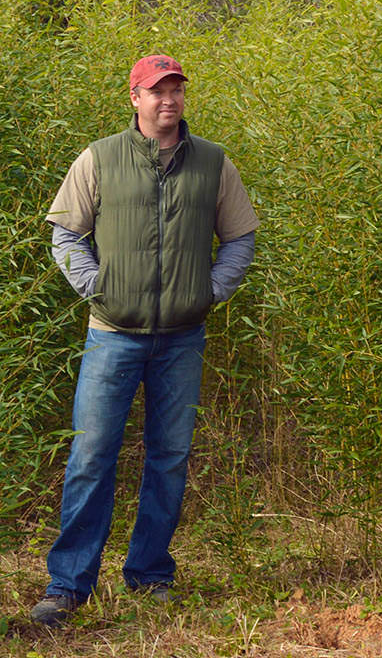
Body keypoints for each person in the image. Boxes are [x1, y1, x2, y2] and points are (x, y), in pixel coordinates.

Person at [30, 54, 260, 627]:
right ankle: (69, 585)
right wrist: (96, 288)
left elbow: (240, 236)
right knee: (90, 456)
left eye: (177, 90)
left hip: (183, 338)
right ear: (134, 98)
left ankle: (150, 574)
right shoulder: (101, 158)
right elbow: (66, 233)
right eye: (157, 91)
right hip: (112, 336)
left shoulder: (211, 162)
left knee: (169, 459)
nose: (169, 101)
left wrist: (209, 292)